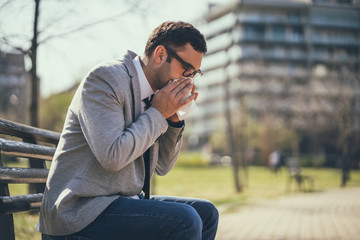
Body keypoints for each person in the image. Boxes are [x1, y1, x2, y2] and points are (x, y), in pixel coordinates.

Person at [38, 21, 219, 240]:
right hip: (79, 211)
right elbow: (112, 157)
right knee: (185, 220)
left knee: (207, 213)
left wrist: (173, 121)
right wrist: (158, 113)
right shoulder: (105, 79)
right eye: (185, 70)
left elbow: (162, 167)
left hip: (120, 202)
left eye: (194, 74)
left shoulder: (155, 95)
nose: (187, 81)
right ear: (160, 54)